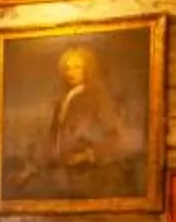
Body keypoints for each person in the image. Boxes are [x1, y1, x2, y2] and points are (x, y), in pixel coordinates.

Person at [44, 44, 123, 180]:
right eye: (67, 68)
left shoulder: (97, 96)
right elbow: (54, 135)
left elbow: (114, 137)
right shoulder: (63, 99)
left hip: (89, 174)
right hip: (64, 173)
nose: (71, 73)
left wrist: (86, 156)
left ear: (87, 69)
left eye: (77, 67)